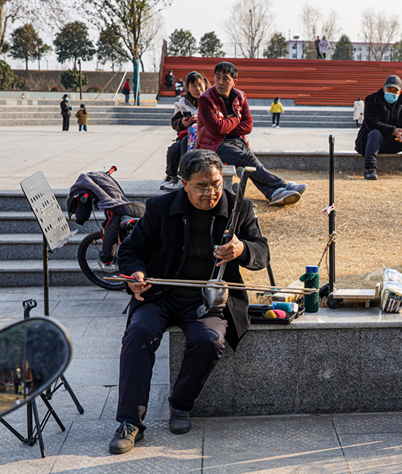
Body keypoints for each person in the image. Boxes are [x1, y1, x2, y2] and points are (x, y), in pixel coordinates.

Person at [109, 149, 269, 455]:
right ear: (184, 183)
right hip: (161, 295)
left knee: (209, 340)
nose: (211, 193)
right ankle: (130, 422)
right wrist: (136, 274)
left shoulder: (239, 207)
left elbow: (261, 253)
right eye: (202, 186)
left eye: (217, 184)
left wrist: (241, 249)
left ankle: (180, 404)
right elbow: (130, 251)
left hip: (209, 300)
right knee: (138, 334)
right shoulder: (160, 208)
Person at [197, 61, 307, 206]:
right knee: (248, 159)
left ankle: (272, 193)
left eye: (225, 78)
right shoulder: (206, 99)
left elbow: (248, 126)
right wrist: (237, 120)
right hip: (214, 146)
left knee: (249, 165)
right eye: (217, 77)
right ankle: (282, 185)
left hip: (237, 142)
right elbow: (216, 129)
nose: (220, 82)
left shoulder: (240, 97)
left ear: (234, 82)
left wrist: (227, 124)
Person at [162, 71, 209, 191]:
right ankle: (171, 177)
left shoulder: (210, 98)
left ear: (204, 84)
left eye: (200, 85)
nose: (198, 88)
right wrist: (183, 123)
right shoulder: (182, 102)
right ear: (188, 88)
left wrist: (201, 119)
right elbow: (175, 122)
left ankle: (184, 175)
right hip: (188, 136)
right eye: (193, 86)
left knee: (184, 143)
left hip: (206, 137)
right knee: (174, 148)